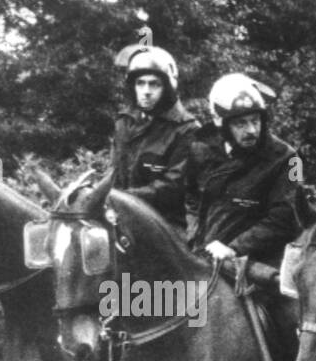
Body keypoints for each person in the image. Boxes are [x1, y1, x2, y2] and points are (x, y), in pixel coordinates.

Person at [183, 72, 300, 271]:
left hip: (259, 262)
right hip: (204, 254)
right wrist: (194, 233)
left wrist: (235, 248)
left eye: (255, 120)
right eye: (240, 123)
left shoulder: (286, 158)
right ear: (222, 124)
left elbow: (285, 218)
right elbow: (190, 196)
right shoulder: (201, 149)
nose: (251, 130)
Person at [109, 45, 198, 230]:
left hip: (165, 223)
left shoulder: (186, 129)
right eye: (140, 83)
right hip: (121, 215)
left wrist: (122, 198)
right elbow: (114, 171)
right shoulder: (125, 123)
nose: (146, 91)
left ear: (167, 88)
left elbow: (173, 185)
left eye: (154, 84)